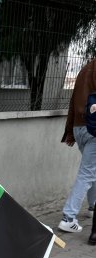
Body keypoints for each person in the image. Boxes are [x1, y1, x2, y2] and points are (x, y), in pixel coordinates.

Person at [60, 58, 96, 245]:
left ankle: (92, 207)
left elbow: (73, 100)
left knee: (92, 170)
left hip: (79, 127)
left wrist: (70, 131)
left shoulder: (84, 70)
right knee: (88, 172)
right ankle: (68, 218)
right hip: (93, 128)